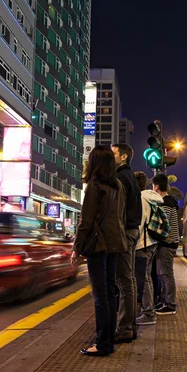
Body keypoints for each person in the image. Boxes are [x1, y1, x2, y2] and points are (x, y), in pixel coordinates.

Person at [71, 146, 127, 357]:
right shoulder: (118, 185)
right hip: (115, 243)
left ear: (95, 163)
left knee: (100, 295)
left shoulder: (95, 185)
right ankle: (108, 340)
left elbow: (86, 221)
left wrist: (76, 248)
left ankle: (103, 344)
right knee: (110, 294)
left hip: (99, 245)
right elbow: (120, 217)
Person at [111, 143, 142, 343]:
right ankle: (129, 325)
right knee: (128, 279)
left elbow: (118, 210)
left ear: (123, 157)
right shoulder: (129, 176)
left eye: (113, 153)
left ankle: (124, 328)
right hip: (131, 230)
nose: (110, 157)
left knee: (124, 280)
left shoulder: (121, 177)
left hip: (124, 231)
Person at [134, 171, 164, 326]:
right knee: (147, 278)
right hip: (152, 242)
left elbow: (139, 223)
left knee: (143, 279)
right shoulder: (151, 198)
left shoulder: (140, 198)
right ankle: (148, 310)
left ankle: (148, 313)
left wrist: (132, 241)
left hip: (142, 244)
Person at [152, 174, 180, 316]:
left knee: (166, 274)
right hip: (169, 244)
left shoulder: (165, 203)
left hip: (167, 244)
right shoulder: (170, 202)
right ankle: (164, 301)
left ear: (156, 186)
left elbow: (163, 226)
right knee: (163, 274)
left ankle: (170, 304)